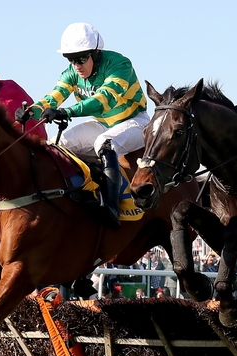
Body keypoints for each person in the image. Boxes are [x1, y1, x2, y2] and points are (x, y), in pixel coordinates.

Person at [16, 22, 148, 229]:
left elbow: (103, 100)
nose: (76, 65)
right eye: (70, 60)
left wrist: (68, 111)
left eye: (81, 59)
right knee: (57, 145)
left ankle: (112, 208)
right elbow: (54, 97)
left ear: (95, 53)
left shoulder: (119, 64)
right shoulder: (72, 73)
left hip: (135, 122)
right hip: (103, 123)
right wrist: (30, 111)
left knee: (104, 143)